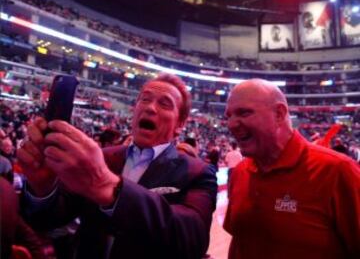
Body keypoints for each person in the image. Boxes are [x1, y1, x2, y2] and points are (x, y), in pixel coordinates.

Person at [18, 73, 218, 259]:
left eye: (164, 104)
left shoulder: (198, 172)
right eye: (145, 99)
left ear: (180, 124)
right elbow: (49, 219)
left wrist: (106, 186)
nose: (150, 108)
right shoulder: (103, 157)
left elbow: (193, 238)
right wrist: (42, 187)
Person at [224, 79, 360, 259]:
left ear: (279, 114)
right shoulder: (240, 172)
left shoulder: (336, 171)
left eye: (244, 113)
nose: (231, 124)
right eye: (229, 116)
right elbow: (240, 243)